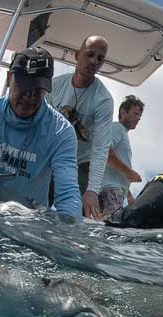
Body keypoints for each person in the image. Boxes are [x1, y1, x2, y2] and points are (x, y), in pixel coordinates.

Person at [0, 48, 80, 216]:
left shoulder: (61, 132)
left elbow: (68, 194)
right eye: (24, 87)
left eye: (37, 90)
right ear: (9, 78)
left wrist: (68, 225)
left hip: (26, 224)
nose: (29, 97)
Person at [48, 35, 114, 220]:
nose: (94, 61)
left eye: (100, 59)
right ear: (78, 55)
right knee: (34, 207)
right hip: (51, 158)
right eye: (90, 54)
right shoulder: (55, 85)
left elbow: (101, 148)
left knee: (74, 218)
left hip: (80, 165)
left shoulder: (103, 100)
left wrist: (92, 190)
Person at [100, 95, 144, 220]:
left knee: (105, 226)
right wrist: (128, 171)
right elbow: (105, 152)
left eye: (140, 116)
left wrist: (128, 193)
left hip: (116, 190)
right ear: (123, 112)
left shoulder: (122, 133)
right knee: (109, 228)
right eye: (135, 114)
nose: (138, 118)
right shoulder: (117, 128)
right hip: (110, 190)